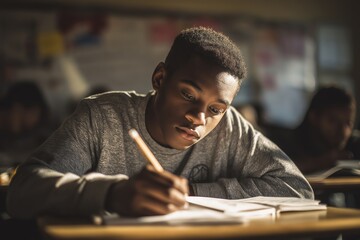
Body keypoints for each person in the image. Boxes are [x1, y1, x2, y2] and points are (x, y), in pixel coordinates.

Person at [6, 27, 313, 219]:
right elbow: (22, 191)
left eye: (216, 108)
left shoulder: (230, 126)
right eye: (187, 94)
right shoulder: (101, 116)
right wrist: (113, 194)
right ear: (159, 78)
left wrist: (191, 191)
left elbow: (298, 189)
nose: (199, 117)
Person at [274, 86, 359, 175]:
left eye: (348, 123)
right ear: (314, 117)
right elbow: (278, 169)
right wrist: (322, 162)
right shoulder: (285, 145)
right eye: (333, 121)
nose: (342, 130)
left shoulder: (354, 144)